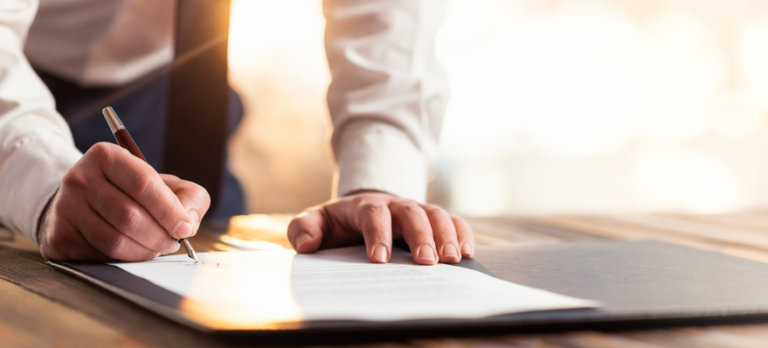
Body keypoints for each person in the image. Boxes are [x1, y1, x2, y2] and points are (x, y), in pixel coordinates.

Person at [0, 0, 473, 265]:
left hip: (181, 84)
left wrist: (378, 183)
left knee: (198, 251)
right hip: (19, 85)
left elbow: (387, 19)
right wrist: (41, 182)